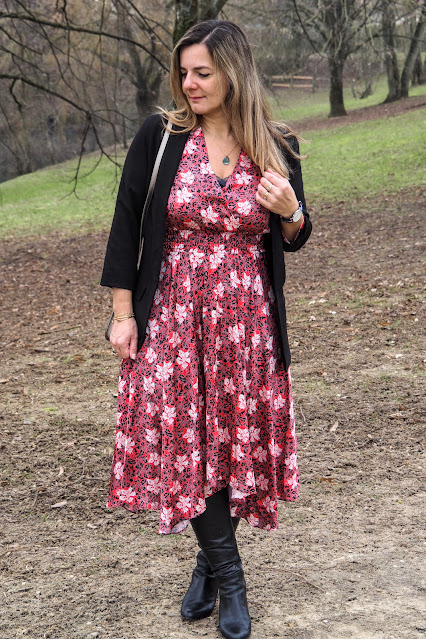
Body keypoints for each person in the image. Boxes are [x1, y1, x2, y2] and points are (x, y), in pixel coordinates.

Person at [101, 19, 312, 639]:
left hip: (245, 321)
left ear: (233, 74)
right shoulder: (160, 137)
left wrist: (289, 211)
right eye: (184, 73)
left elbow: (298, 235)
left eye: (202, 73)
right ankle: (232, 576)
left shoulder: (278, 143)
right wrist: (122, 314)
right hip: (171, 314)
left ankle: (207, 563)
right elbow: (124, 227)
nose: (188, 84)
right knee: (186, 440)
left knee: (229, 438)